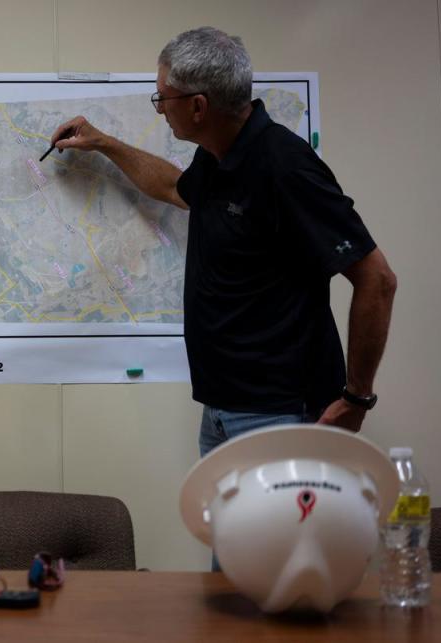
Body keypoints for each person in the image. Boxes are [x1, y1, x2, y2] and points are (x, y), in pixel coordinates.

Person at [50, 27, 396, 455]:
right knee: (223, 525)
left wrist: (356, 397)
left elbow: (377, 278)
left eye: (163, 98)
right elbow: (178, 190)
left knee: (275, 526)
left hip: (279, 412)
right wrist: (102, 143)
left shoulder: (285, 167)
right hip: (221, 408)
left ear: (198, 106)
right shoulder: (218, 155)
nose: (159, 109)